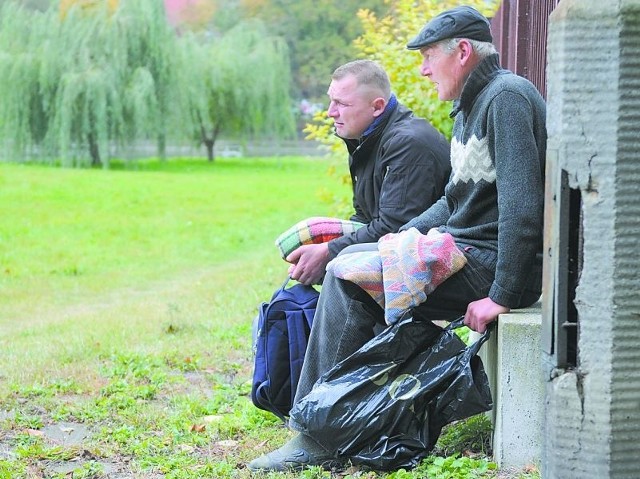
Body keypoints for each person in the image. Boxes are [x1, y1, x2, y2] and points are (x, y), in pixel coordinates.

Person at [248, 5, 546, 472]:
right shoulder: (470, 107)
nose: (423, 70)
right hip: (463, 251)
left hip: (486, 264)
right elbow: (452, 201)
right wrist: (399, 239)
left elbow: (523, 206)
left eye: (429, 57)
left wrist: (503, 296)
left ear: (462, 51)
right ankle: (350, 417)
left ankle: (315, 434)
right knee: (362, 260)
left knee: (347, 274)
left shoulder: (505, 98)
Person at [285, 59, 450, 286]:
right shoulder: (365, 139)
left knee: (338, 270)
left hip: (440, 260)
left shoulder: (408, 144)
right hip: (403, 252)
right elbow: (364, 218)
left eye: (341, 104)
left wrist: (329, 252)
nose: (330, 112)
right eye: (331, 101)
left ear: (377, 107)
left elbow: (395, 228)